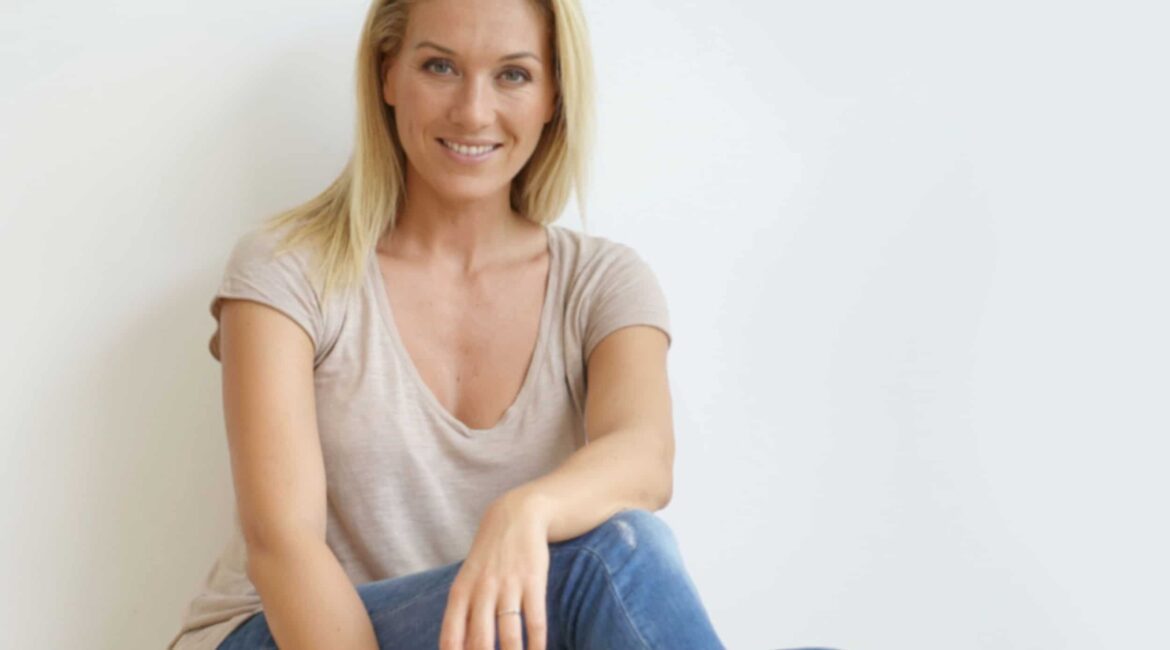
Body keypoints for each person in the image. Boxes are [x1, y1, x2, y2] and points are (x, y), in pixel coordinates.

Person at [167, 0, 727, 648]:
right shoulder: (289, 271)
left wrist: (525, 511)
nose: (472, 111)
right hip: (286, 635)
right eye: (439, 67)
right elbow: (281, 547)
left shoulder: (602, 283)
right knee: (616, 555)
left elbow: (645, 459)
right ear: (387, 75)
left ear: (553, 95)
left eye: (513, 75)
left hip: (486, 636)